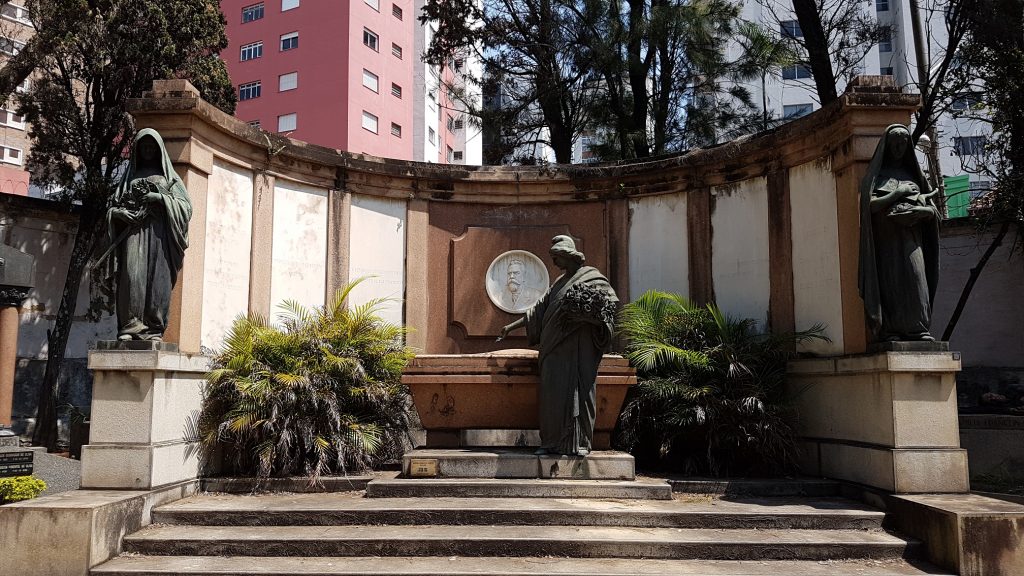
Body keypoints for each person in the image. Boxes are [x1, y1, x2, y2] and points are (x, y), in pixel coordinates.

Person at [499, 235, 618, 456]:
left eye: (556, 257)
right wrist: (510, 327)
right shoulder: (558, 284)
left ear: (567, 255)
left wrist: (588, 318)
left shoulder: (594, 279)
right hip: (553, 352)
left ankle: (581, 443)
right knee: (551, 396)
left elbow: (608, 310)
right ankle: (551, 443)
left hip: (581, 350)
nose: (553, 262)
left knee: (581, 393)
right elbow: (536, 312)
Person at [106, 129, 192, 341]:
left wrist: (160, 198)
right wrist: (119, 213)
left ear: (158, 150)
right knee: (131, 276)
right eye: (143, 147)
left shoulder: (168, 178)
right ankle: (130, 326)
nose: (147, 150)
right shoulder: (129, 178)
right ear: (136, 150)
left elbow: (186, 207)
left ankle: (155, 328)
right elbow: (112, 207)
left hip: (160, 237)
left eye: (151, 147)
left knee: (157, 280)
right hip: (132, 235)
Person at [858, 124, 940, 342]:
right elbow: (870, 206)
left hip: (912, 241)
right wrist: (897, 193)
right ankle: (891, 330)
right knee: (891, 284)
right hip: (886, 243)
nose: (898, 148)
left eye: (903, 144)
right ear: (887, 145)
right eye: (895, 143)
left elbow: (933, 212)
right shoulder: (877, 176)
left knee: (916, 278)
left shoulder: (914, 175)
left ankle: (918, 328)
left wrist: (923, 211)